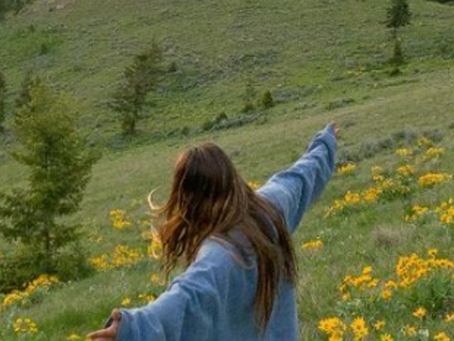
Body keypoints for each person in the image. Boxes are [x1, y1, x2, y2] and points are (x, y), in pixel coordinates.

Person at [87, 123, 338, 341]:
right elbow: (302, 175)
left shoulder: (219, 256)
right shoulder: (271, 206)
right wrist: (325, 143)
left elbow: (183, 300)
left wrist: (132, 329)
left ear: (189, 198)